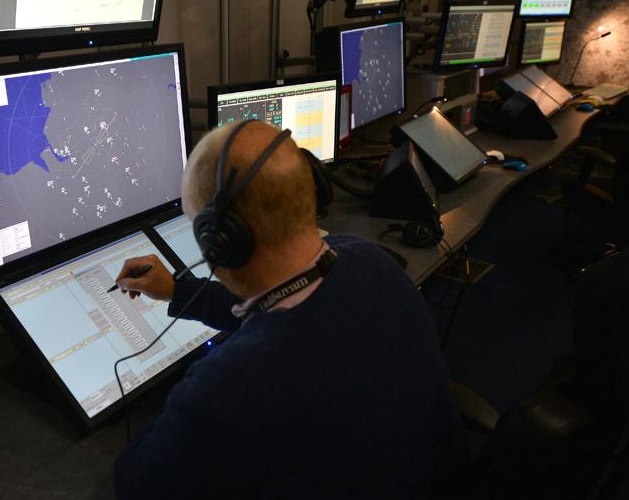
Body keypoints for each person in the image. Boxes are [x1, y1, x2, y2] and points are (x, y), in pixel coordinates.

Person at [113, 120, 467, 499]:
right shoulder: (371, 261)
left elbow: (136, 480)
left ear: (223, 243)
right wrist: (178, 291)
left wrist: (186, 407)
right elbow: (281, 300)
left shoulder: (230, 385)